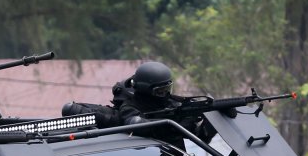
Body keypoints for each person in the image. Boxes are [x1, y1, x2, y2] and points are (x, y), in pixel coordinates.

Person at [62, 61, 206, 145]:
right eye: (160, 91)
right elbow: (136, 124)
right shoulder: (129, 108)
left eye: (168, 89)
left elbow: (202, 137)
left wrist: (210, 121)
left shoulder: (174, 105)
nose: (166, 95)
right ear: (145, 90)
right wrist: (175, 128)